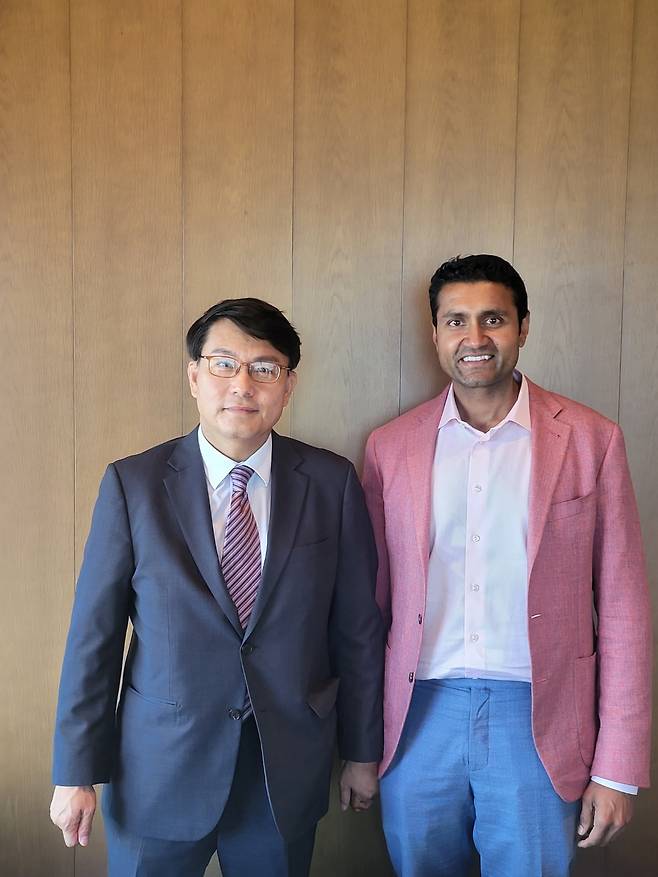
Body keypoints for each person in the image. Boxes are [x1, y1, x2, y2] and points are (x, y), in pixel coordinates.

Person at [50, 297, 383, 877]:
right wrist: (75, 772)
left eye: (265, 367)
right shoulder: (135, 485)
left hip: (283, 768)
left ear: (289, 384)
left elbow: (356, 629)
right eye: (224, 364)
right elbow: (93, 639)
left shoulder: (330, 483)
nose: (243, 384)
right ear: (194, 377)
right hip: (160, 769)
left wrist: (361, 750)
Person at [362, 254, 652, 877]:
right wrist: (358, 745)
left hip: (541, 715)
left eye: (493, 319)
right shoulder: (390, 448)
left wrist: (619, 767)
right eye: (456, 321)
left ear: (523, 327)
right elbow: (369, 606)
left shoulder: (591, 439)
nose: (475, 338)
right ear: (435, 334)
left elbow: (626, 608)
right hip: (417, 715)